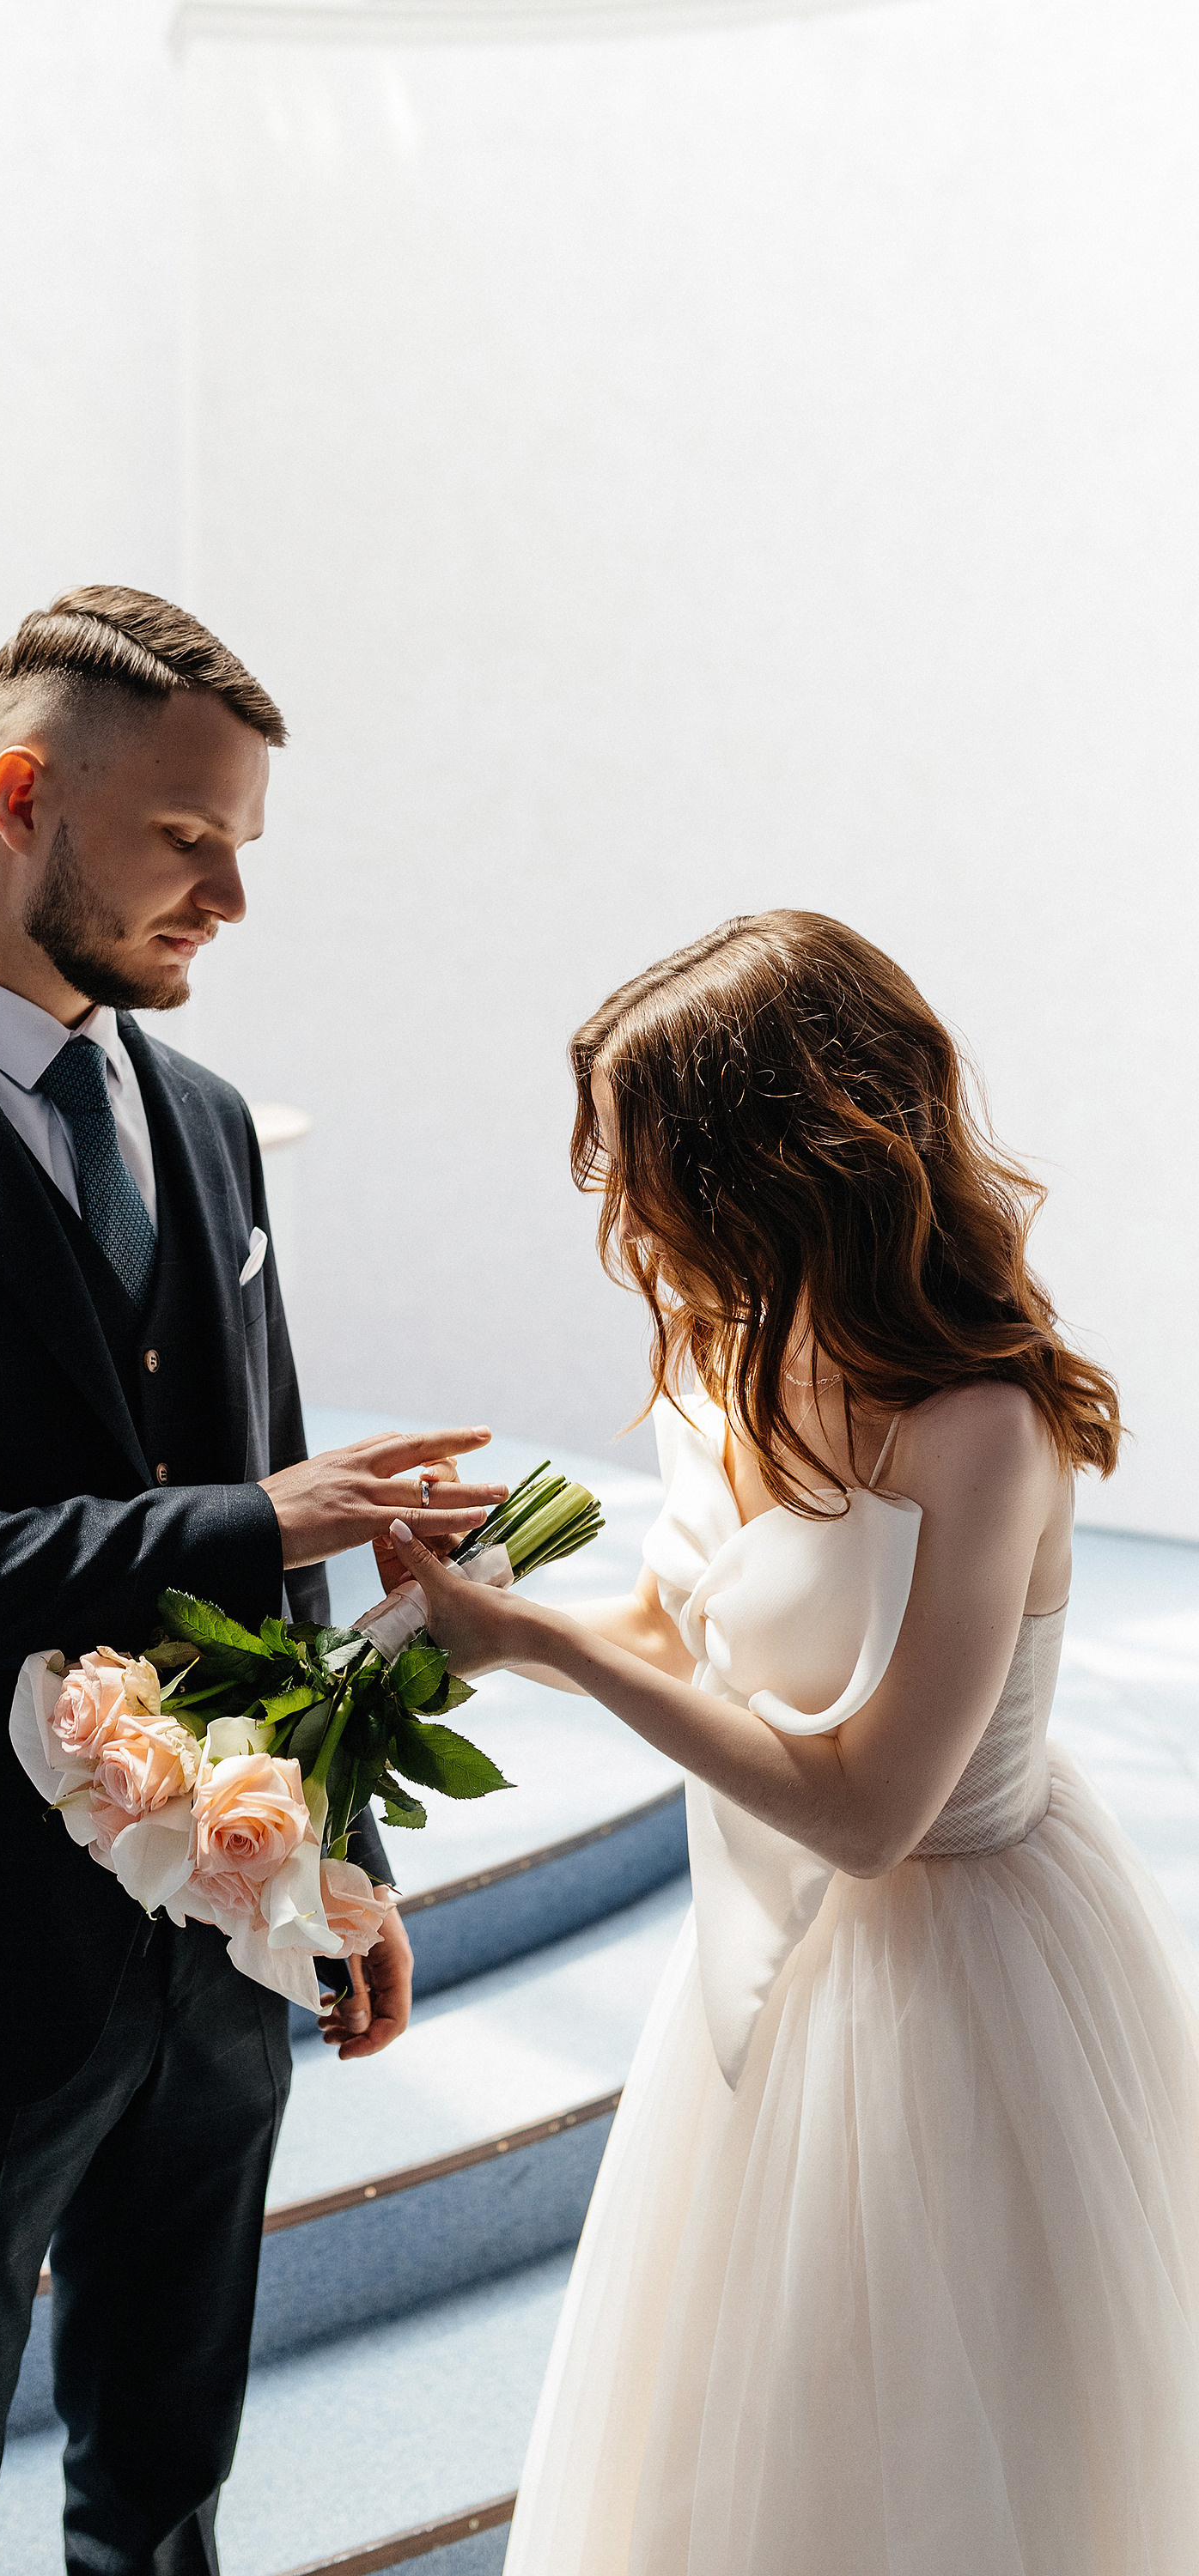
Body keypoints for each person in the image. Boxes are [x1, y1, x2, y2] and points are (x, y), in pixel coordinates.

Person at [0, 586, 507, 2576]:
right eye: (187, 837)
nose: (230, 897)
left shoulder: (201, 1124)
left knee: (164, 2502)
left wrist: (334, 1858)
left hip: (211, 1957)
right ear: (23, 794)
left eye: (245, 843)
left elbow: (271, 1557)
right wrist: (248, 1519)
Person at [388, 911, 1199, 2575]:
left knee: (960, 2462)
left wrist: (534, 1641)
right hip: (768, 1975)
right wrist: (463, 1628)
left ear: (772, 1166)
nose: (623, 1218)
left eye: (644, 1173)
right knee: (759, 2449)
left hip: (973, 1984)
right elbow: (666, 1636)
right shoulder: (727, 1354)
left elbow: (870, 1813)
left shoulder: (984, 1428)